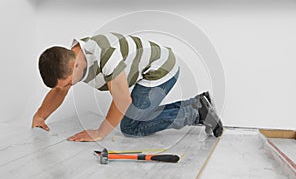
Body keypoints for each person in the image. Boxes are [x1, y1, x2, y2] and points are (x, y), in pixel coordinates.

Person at [32, 32, 223, 142]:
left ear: (75, 65)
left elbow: (123, 100)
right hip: (145, 72)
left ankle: (197, 112)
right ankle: (198, 104)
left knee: (131, 126)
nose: (66, 88)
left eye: (67, 83)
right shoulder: (73, 59)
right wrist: (40, 116)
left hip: (161, 70)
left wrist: (99, 133)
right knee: (135, 117)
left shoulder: (104, 54)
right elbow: (59, 89)